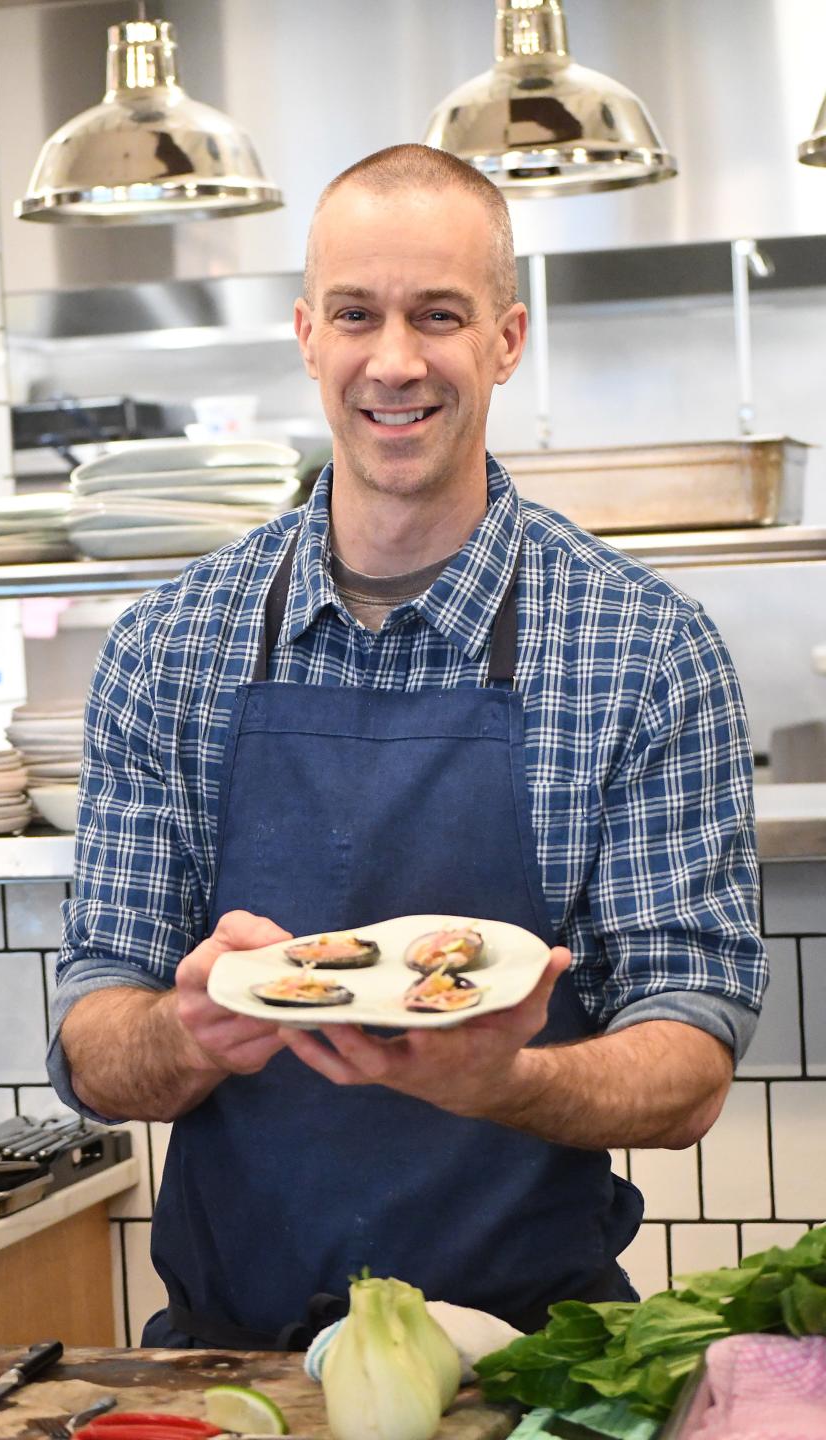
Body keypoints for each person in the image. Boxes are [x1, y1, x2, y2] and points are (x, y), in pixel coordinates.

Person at [48, 143, 767, 1349]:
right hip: (240, 1362)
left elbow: (690, 1056)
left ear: (507, 339)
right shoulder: (167, 648)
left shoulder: (645, 650)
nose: (394, 361)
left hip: (536, 1363)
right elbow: (90, 1037)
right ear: (306, 333)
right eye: (355, 315)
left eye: (438, 315)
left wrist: (509, 1082)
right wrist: (187, 1033)